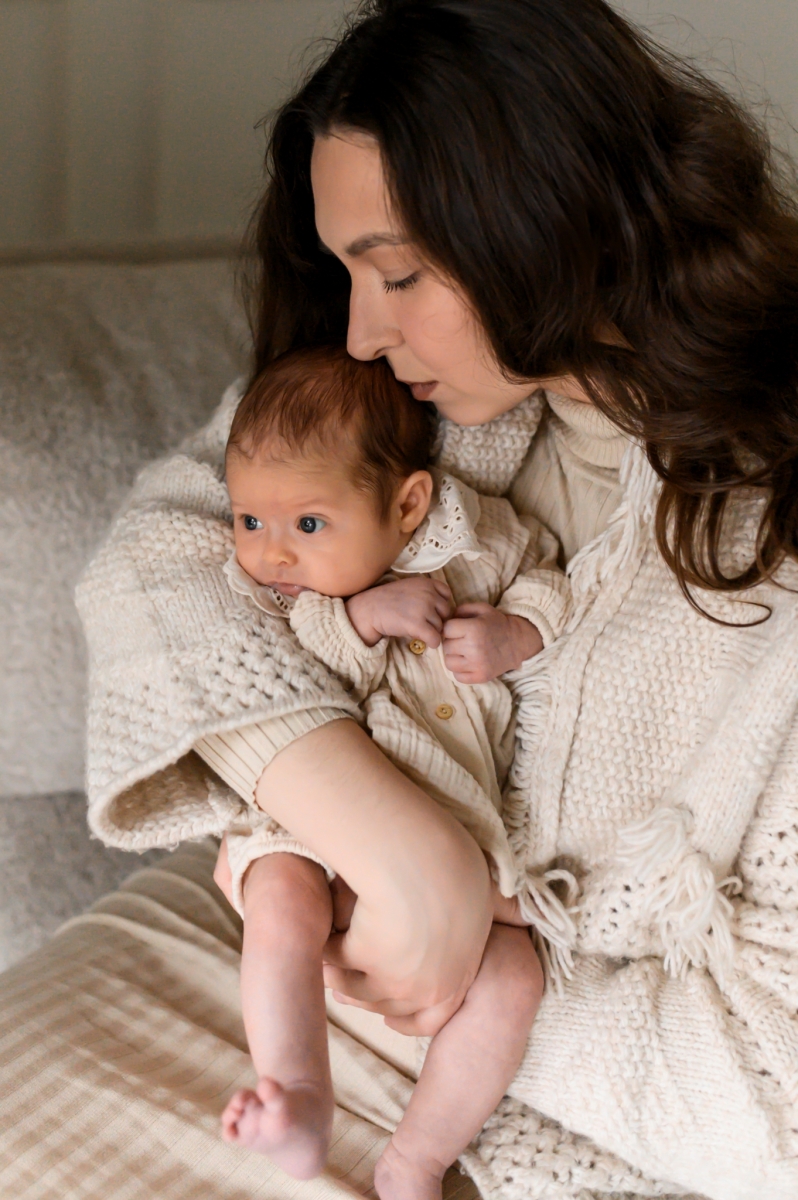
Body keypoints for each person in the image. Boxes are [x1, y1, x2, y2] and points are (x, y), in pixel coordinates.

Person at [1, 2, 797, 1199]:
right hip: (263, 942)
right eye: (349, 274)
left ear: (552, 211)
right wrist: (396, 845)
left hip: (529, 1091)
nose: (363, 334)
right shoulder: (415, 405)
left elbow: (775, 1098)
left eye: (402, 273)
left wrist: (467, 958)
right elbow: (161, 555)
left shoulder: (768, 539)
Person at [211, 343, 564, 1195]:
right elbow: (284, 668)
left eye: (307, 525)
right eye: (249, 521)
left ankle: (418, 1156)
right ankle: (298, 1095)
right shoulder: (300, 598)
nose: (272, 553)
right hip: (317, 832)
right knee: (281, 900)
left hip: (462, 834)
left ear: (409, 503)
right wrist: (360, 618)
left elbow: (553, 581)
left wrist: (515, 632)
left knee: (514, 979)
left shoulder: (485, 540)